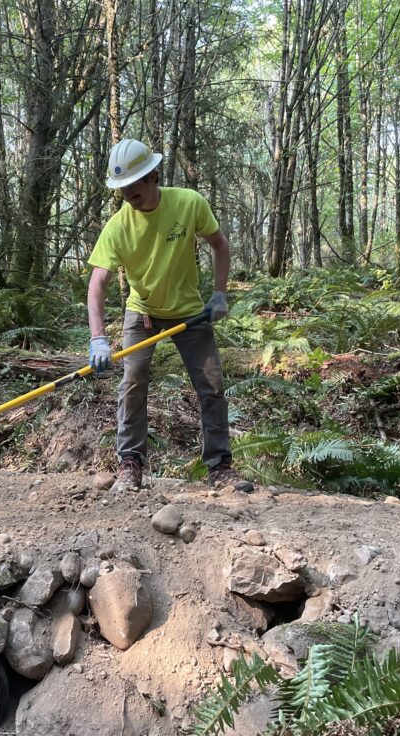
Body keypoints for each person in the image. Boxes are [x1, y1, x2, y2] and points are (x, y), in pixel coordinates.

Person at [86, 138, 254, 493]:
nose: (127, 194)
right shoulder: (118, 227)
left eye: (133, 185)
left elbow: (219, 245)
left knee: (212, 386)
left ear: (153, 176)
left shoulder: (189, 203)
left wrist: (219, 295)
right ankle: (130, 463)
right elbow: (97, 283)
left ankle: (221, 468)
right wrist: (98, 337)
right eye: (121, 189)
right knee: (132, 383)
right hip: (142, 313)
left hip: (190, 314)